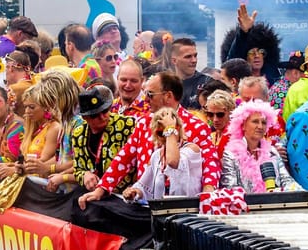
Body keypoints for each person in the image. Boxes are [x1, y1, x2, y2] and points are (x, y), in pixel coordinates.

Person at [79, 71, 217, 208]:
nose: (145, 99)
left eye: (150, 94)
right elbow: (124, 158)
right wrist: (101, 189)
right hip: (146, 205)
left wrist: (207, 196)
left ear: (168, 96)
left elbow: (210, 164)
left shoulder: (197, 126)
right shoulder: (143, 123)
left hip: (183, 208)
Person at [122, 108, 204, 201]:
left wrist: (170, 129)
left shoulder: (192, 149)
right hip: (162, 211)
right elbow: (144, 188)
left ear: (178, 128)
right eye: (161, 133)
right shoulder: (156, 156)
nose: (166, 136)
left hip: (187, 212)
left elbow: (173, 162)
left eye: (170, 130)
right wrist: (133, 192)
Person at [220, 100, 298, 193]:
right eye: (255, 121)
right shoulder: (231, 154)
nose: (260, 126)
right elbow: (230, 188)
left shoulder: (272, 151)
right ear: (243, 125)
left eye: (264, 123)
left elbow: (287, 181)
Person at [70, 86, 137, 191]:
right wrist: (84, 175)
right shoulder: (79, 134)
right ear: (85, 118)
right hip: (93, 194)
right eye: (95, 115)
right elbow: (78, 169)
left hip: (123, 195)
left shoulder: (127, 125)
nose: (102, 117)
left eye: (105, 111)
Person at [171, 37, 205, 109]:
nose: (194, 60)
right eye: (188, 57)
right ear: (174, 61)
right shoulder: (166, 84)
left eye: (195, 55)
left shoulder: (207, 83)